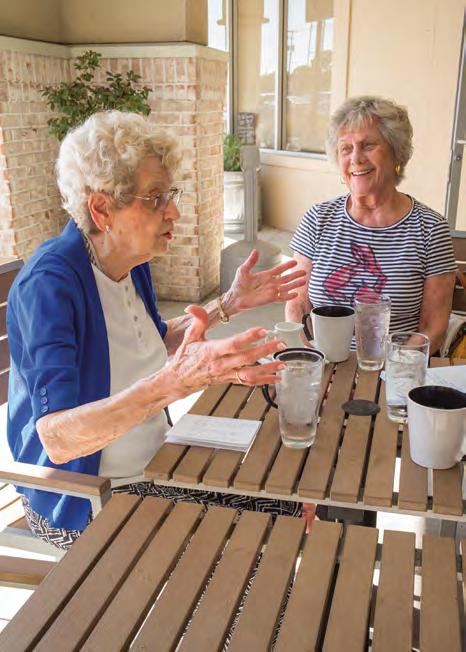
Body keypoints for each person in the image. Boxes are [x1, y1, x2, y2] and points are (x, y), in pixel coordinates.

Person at [7, 110, 306, 549]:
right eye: (154, 198)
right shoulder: (49, 286)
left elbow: (149, 340)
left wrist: (228, 304)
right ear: (101, 209)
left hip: (156, 462)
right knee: (254, 548)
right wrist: (175, 383)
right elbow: (58, 439)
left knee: (293, 502)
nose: (174, 211)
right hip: (86, 499)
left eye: (170, 194)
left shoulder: (129, 260)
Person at [286, 95, 457, 354]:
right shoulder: (317, 219)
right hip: (324, 362)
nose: (356, 158)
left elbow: (432, 327)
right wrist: (310, 358)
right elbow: (297, 306)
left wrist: (387, 370)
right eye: (346, 148)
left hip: (395, 366)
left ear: (396, 152)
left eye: (368, 145)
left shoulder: (430, 229)